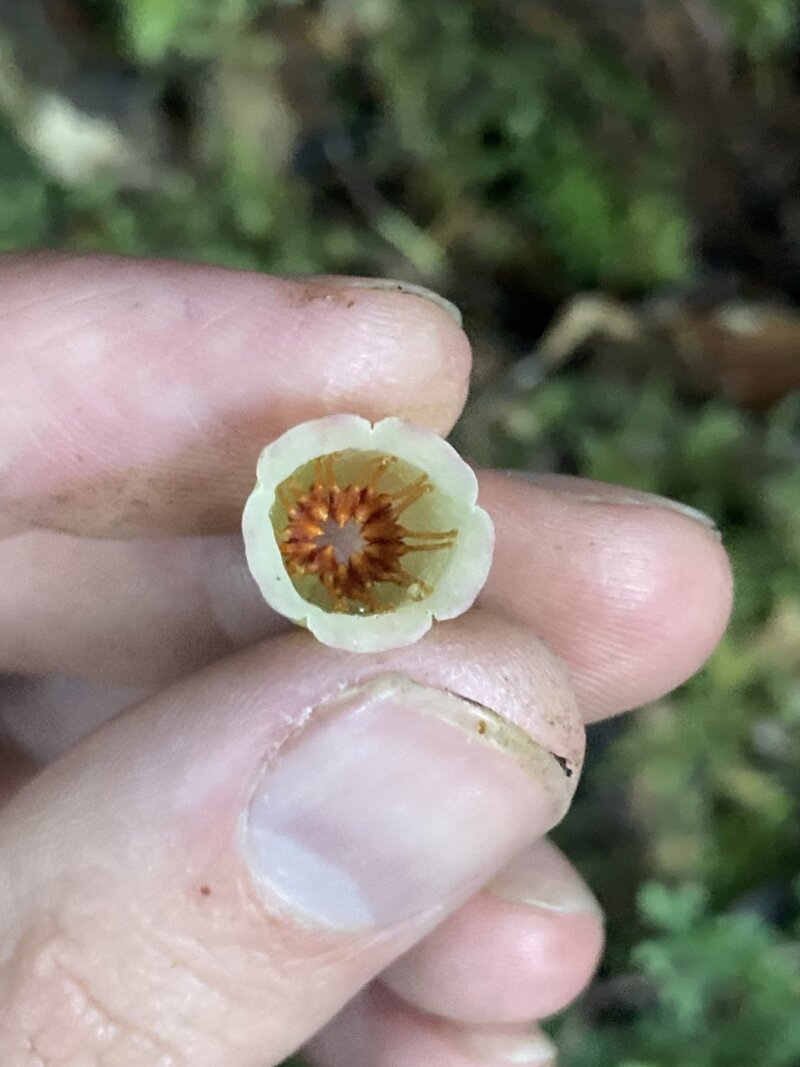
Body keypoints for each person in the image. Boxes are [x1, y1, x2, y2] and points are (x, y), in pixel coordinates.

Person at [0, 254, 732, 1066]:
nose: (340, 532)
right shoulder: (306, 523)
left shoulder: (401, 556)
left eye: (352, 523)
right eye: (332, 523)